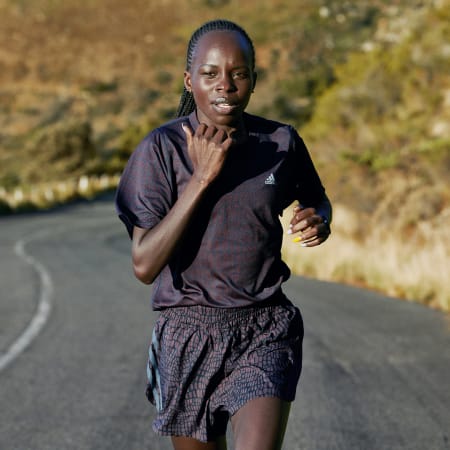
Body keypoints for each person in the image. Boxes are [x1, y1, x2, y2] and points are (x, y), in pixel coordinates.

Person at [115, 19, 331, 450]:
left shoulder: (281, 142)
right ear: (189, 80)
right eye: (210, 73)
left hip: (265, 327)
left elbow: (316, 197)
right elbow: (144, 264)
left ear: (253, 81)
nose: (225, 85)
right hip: (187, 334)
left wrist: (318, 219)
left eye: (239, 74)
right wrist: (201, 179)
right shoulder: (161, 150)